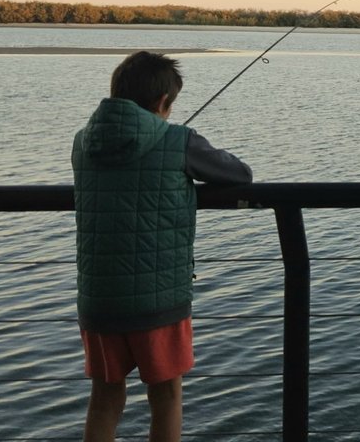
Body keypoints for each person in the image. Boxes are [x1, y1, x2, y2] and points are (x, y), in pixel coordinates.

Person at [72, 51, 253, 442]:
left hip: (99, 298)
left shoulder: (83, 141)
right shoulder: (177, 139)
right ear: (163, 103)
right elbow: (239, 173)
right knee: (166, 395)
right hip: (158, 301)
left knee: (104, 398)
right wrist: (179, 144)